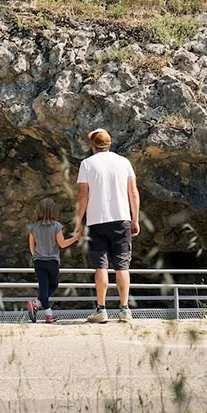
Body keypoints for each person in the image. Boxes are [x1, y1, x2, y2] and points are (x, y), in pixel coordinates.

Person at [74, 128, 140, 323]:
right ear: (109, 143)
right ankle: (124, 309)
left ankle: (101, 309)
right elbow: (133, 193)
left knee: (100, 266)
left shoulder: (86, 164)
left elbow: (82, 196)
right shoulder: (124, 162)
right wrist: (135, 219)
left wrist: (78, 221)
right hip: (122, 219)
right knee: (122, 266)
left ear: (93, 145)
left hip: (96, 221)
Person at [26, 198, 81, 324]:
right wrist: (76, 237)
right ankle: (48, 315)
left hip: (39, 261)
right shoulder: (57, 226)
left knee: (43, 288)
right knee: (54, 285)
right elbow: (62, 244)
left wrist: (37, 256)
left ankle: (36, 303)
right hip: (52, 261)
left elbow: (31, 247)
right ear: (53, 211)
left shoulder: (33, 227)